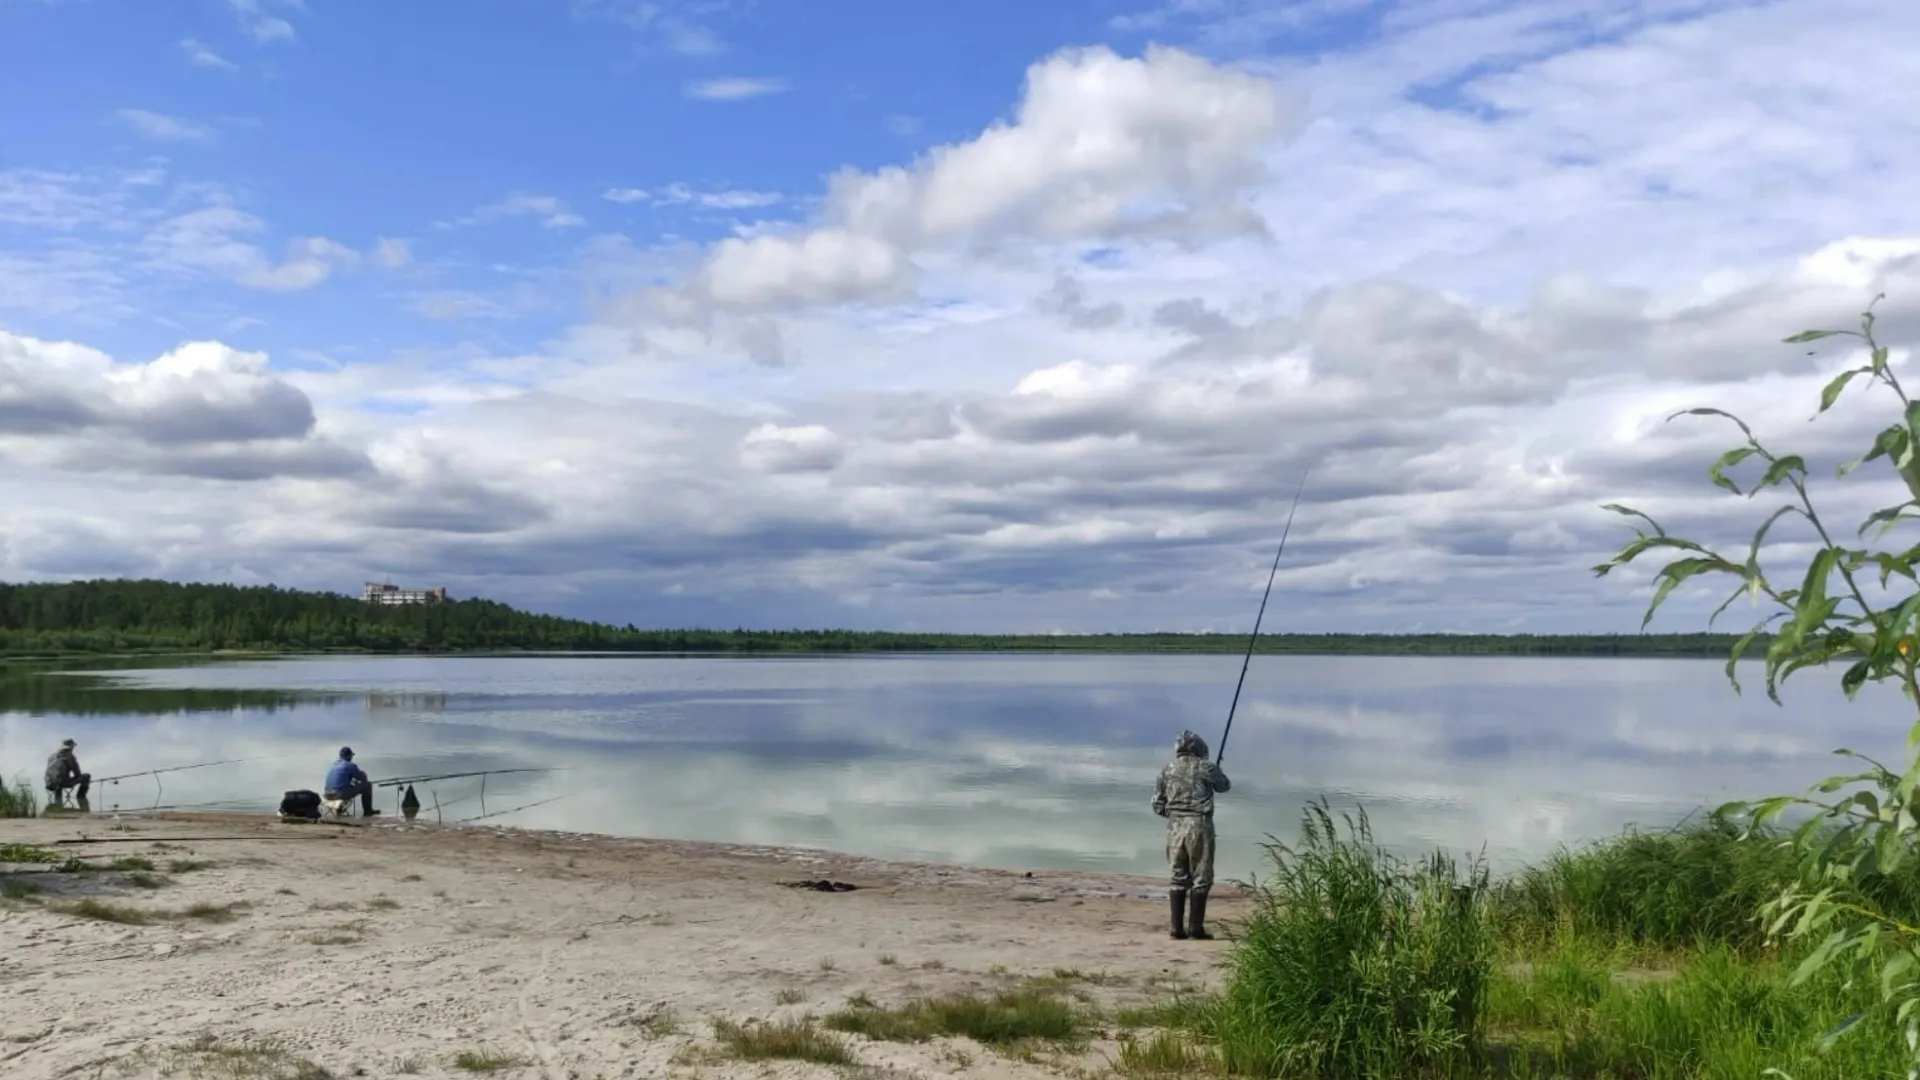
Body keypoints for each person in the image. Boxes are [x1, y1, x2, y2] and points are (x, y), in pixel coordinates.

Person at [1151, 729, 1231, 941]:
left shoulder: (1167, 770)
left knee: (1178, 876)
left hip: (1174, 826)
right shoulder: (1207, 767)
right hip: (1200, 825)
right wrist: (1216, 771)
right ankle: (1196, 929)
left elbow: (1157, 805)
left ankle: (1176, 929)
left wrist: (1175, 813)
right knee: (1201, 877)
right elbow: (1224, 787)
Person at [324, 746, 379, 816]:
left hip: (327, 795)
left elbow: (339, 782)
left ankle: (339, 811)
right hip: (339, 794)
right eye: (351, 756)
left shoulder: (333, 765)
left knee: (341, 788)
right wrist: (363, 775)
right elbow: (362, 778)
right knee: (367, 785)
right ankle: (368, 811)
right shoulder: (350, 765)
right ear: (349, 756)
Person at [44, 738, 90, 807]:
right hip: (61, 782)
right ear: (71, 747)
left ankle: (58, 804)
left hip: (49, 784)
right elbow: (77, 773)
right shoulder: (69, 756)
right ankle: (81, 797)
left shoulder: (51, 756)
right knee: (87, 776)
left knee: (58, 780)